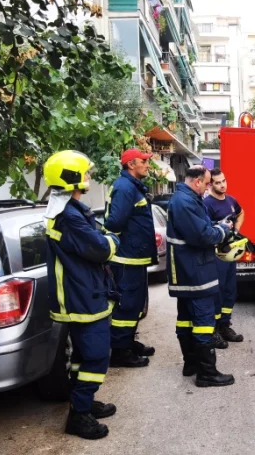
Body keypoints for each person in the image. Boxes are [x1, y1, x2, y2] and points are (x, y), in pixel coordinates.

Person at [43, 150, 120, 440]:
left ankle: (83, 403)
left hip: (81, 292)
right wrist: (112, 241)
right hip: (83, 296)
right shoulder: (69, 217)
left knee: (82, 355)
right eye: (84, 173)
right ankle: (79, 416)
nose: (88, 176)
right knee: (97, 356)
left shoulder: (66, 210)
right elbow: (100, 249)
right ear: (71, 177)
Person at [167, 166, 235, 387]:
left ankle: (192, 364)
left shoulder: (185, 199)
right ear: (197, 181)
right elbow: (202, 235)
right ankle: (207, 373)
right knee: (204, 322)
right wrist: (223, 230)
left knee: (186, 320)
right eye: (207, 183)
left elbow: (199, 228)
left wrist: (215, 226)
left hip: (188, 270)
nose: (208, 188)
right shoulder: (185, 202)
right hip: (195, 272)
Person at [103, 148, 157, 368]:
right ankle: (120, 352)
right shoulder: (125, 188)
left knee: (135, 305)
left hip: (135, 258)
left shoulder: (130, 186)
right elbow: (115, 222)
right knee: (126, 306)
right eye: (143, 161)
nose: (147, 164)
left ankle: (128, 342)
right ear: (131, 165)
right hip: (127, 259)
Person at [202, 168, 245, 346]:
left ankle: (225, 325)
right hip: (215, 256)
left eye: (224, 181)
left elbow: (241, 213)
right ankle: (214, 330)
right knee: (216, 293)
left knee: (229, 291)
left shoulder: (231, 200)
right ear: (210, 184)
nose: (222, 185)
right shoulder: (207, 204)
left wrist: (236, 230)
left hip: (230, 256)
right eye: (218, 182)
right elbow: (205, 229)